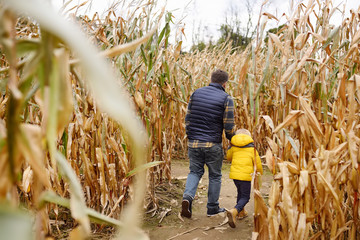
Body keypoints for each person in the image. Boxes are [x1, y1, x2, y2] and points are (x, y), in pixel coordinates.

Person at [181, 69, 236, 218]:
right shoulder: (226, 98)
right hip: (212, 144)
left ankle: (187, 198)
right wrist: (233, 139)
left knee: (194, 172)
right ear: (225, 83)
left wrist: (191, 136)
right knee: (215, 175)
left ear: (211, 79)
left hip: (194, 143)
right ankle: (212, 208)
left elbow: (188, 118)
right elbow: (229, 125)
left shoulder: (196, 93)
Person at [225, 129, 263, 228]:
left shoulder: (234, 147)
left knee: (240, 193)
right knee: (246, 197)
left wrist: (230, 147)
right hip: (246, 177)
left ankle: (241, 213)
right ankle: (235, 211)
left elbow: (228, 158)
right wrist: (260, 173)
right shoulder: (252, 149)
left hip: (235, 176)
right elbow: (257, 163)